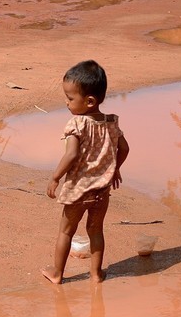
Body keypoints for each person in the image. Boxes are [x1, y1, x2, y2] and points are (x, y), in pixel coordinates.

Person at [41, 60, 129, 285]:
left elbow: (71, 156)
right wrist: (115, 168)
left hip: (78, 190)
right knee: (96, 231)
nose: (67, 103)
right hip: (102, 190)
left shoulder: (77, 124)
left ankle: (57, 273)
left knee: (66, 232)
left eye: (70, 98)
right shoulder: (111, 123)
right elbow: (125, 148)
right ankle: (96, 274)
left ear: (89, 101)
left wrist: (55, 177)